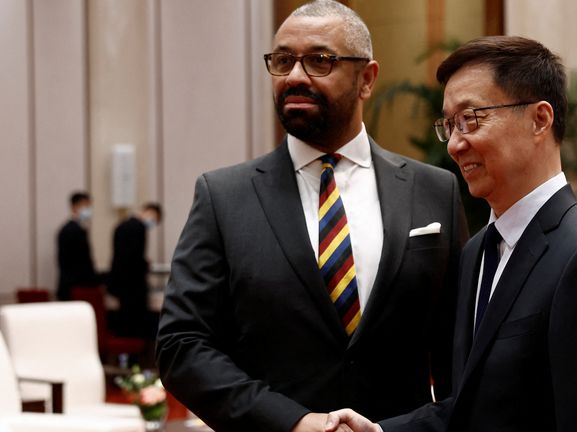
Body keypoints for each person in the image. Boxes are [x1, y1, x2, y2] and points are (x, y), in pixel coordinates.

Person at [156, 1, 468, 431]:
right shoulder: (223, 197)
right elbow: (182, 347)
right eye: (283, 61)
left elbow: (459, 348)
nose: (296, 76)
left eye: (320, 60)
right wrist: (295, 423)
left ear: (367, 78)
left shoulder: (434, 190)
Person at [325, 35, 577, 431]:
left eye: (471, 119)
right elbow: (467, 407)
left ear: (540, 119)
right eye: (450, 125)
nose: (455, 144)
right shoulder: (477, 250)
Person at [108, 202, 162, 338]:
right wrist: (145, 265)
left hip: (120, 286)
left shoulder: (120, 225)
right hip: (134, 287)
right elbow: (135, 258)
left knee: (124, 327)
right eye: (155, 219)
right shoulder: (139, 228)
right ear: (149, 211)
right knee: (137, 329)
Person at [56, 191, 101, 300]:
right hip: (76, 288)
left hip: (69, 285)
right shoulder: (74, 230)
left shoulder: (66, 228)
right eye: (85, 205)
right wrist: (94, 281)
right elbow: (82, 261)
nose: (88, 209)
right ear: (74, 206)